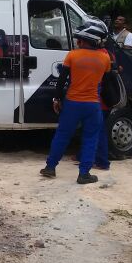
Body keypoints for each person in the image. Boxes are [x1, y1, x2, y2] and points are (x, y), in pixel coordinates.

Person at [41, 19, 111, 184]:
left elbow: (61, 81)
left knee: (62, 135)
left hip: (72, 103)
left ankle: (50, 167)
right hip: (93, 105)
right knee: (90, 138)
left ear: (83, 39)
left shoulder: (72, 55)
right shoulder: (105, 58)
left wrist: (57, 98)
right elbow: (106, 83)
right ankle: (84, 174)